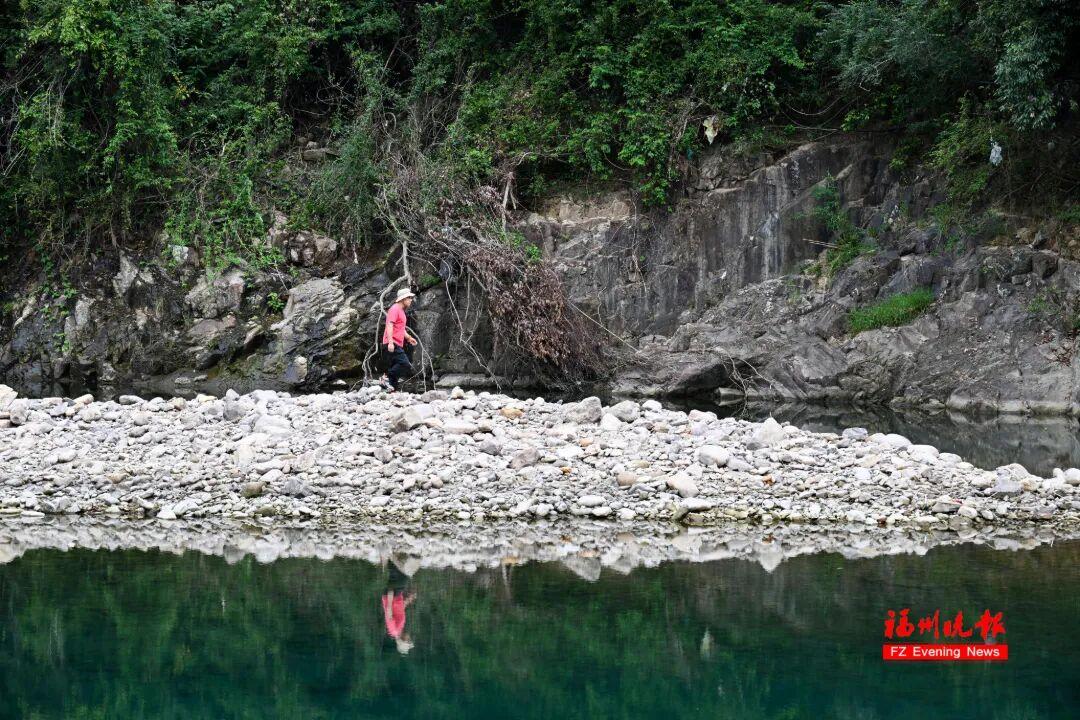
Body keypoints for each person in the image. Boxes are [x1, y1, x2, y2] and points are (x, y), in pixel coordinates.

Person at [382, 287, 418, 392]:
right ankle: (385, 378)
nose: (411, 300)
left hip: (396, 343)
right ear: (403, 299)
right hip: (392, 342)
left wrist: (409, 338)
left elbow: (401, 329)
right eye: (409, 298)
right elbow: (389, 325)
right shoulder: (394, 309)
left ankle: (392, 390)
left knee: (395, 366)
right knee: (405, 364)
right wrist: (390, 343)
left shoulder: (401, 311)